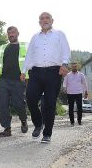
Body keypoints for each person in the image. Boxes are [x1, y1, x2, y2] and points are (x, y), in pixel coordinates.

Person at [21, 12, 71, 143]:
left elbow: (66, 50)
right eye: (42, 19)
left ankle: (47, 134)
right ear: (39, 23)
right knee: (30, 98)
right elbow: (29, 55)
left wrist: (65, 64)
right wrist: (23, 70)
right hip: (36, 72)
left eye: (47, 18)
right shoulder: (34, 37)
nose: (45, 20)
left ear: (52, 20)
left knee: (49, 103)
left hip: (54, 72)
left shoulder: (59, 34)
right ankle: (38, 124)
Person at [0, 26, 28, 137]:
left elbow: (31, 62)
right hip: (4, 80)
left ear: (18, 33)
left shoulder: (25, 46)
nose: (11, 34)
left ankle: (23, 120)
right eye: (9, 33)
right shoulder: (3, 48)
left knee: (18, 103)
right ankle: (7, 128)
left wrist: (29, 77)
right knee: (2, 104)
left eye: (13, 32)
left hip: (19, 80)